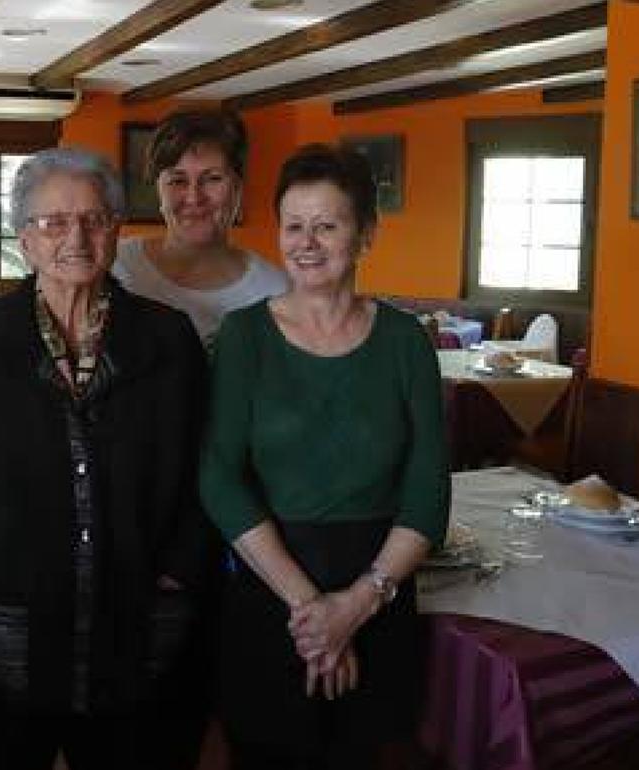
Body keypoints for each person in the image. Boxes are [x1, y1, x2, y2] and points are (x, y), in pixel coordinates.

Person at [0, 147, 215, 770]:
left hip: (136, 622)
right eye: (53, 222)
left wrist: (180, 572)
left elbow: (202, 469)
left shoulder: (168, 337)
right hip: (12, 626)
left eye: (95, 219)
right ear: (24, 240)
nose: (75, 237)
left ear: (116, 229)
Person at [199, 143, 450, 770]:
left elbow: (428, 493)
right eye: (293, 225)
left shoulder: (406, 343)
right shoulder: (245, 337)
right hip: (271, 593)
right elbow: (219, 476)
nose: (306, 243)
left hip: (380, 592)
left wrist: (357, 604)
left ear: (365, 236)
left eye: (327, 225)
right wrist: (313, 611)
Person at [111, 108, 288, 347]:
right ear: (158, 190)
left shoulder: (275, 291)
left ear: (237, 187)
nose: (194, 197)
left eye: (212, 178)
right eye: (178, 180)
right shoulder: (115, 267)